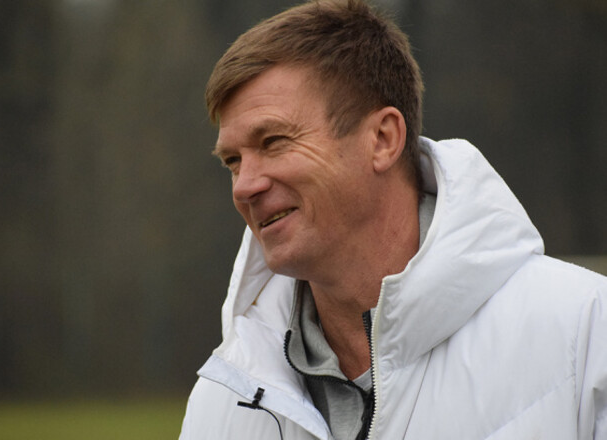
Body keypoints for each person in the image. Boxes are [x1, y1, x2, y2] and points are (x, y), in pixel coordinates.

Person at [179, 0, 607, 438]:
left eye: (273, 141)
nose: (244, 187)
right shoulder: (225, 398)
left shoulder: (584, 333)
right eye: (233, 161)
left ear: (383, 139)